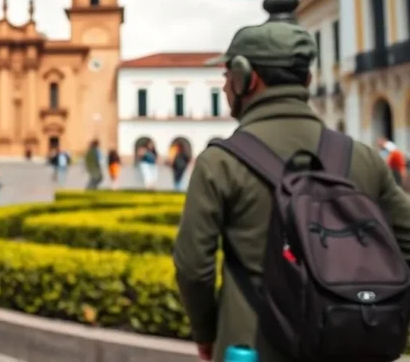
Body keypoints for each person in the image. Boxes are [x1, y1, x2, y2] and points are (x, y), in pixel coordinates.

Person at [174, 21, 410, 362]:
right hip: (351, 346)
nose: (224, 86)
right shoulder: (362, 158)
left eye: (227, 75)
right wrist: (377, 312)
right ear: (308, 81)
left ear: (244, 77)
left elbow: (193, 267)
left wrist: (205, 333)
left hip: (251, 346)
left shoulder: (220, 162)